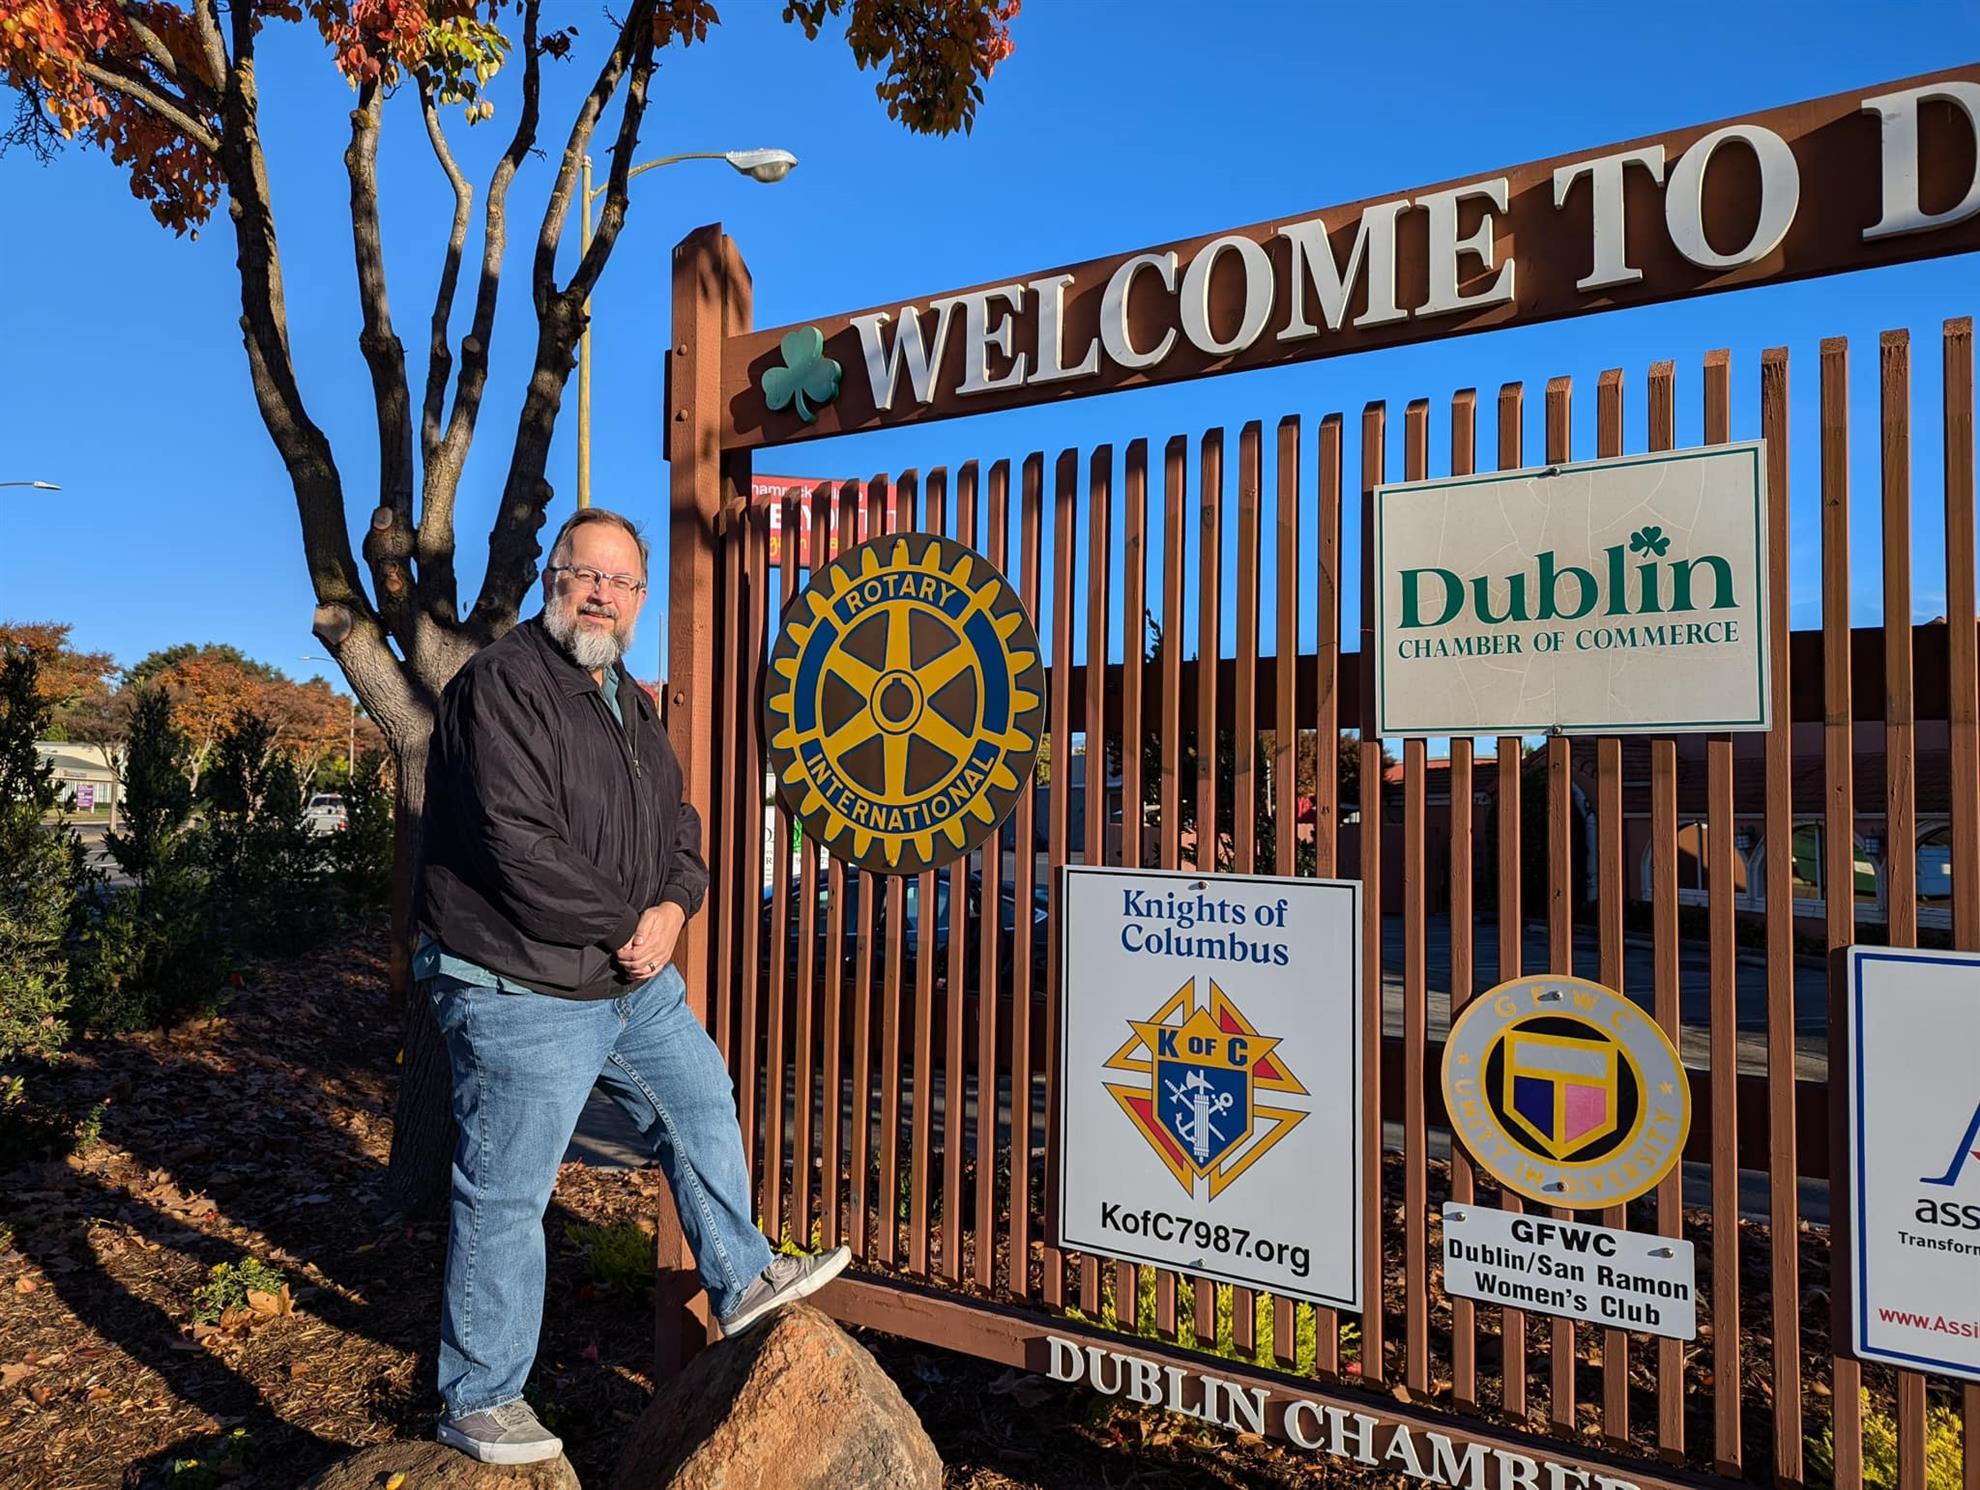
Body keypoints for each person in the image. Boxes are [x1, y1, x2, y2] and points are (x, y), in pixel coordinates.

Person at [416, 506, 848, 1465]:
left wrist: (675, 907)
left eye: (622, 583)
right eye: (587, 574)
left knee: (700, 1101)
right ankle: (478, 1397)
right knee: (506, 1192)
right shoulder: (502, 687)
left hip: (627, 976)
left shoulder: (628, 701)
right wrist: (629, 922)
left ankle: (741, 1279)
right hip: (517, 981)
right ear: (552, 578)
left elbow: (679, 827)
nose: (603, 595)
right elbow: (516, 847)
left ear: (640, 599)